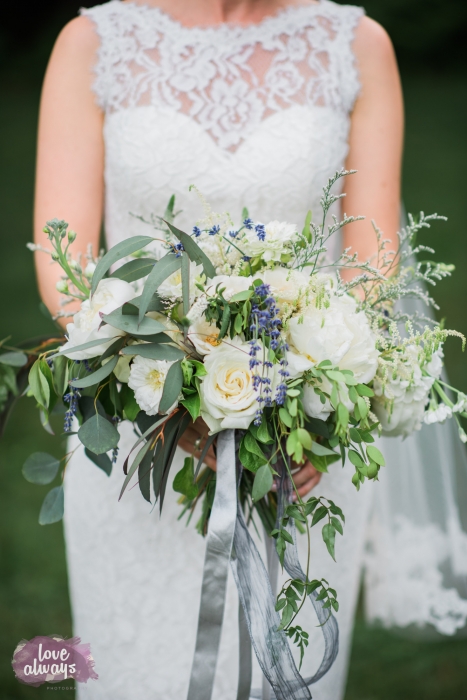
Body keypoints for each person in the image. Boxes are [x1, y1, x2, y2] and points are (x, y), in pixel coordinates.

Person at [33, 1, 467, 699]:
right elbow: (66, 264)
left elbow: (369, 262)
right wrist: (160, 386)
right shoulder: (93, 43)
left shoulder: (355, 45)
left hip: (302, 442)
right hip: (137, 426)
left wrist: (312, 409)